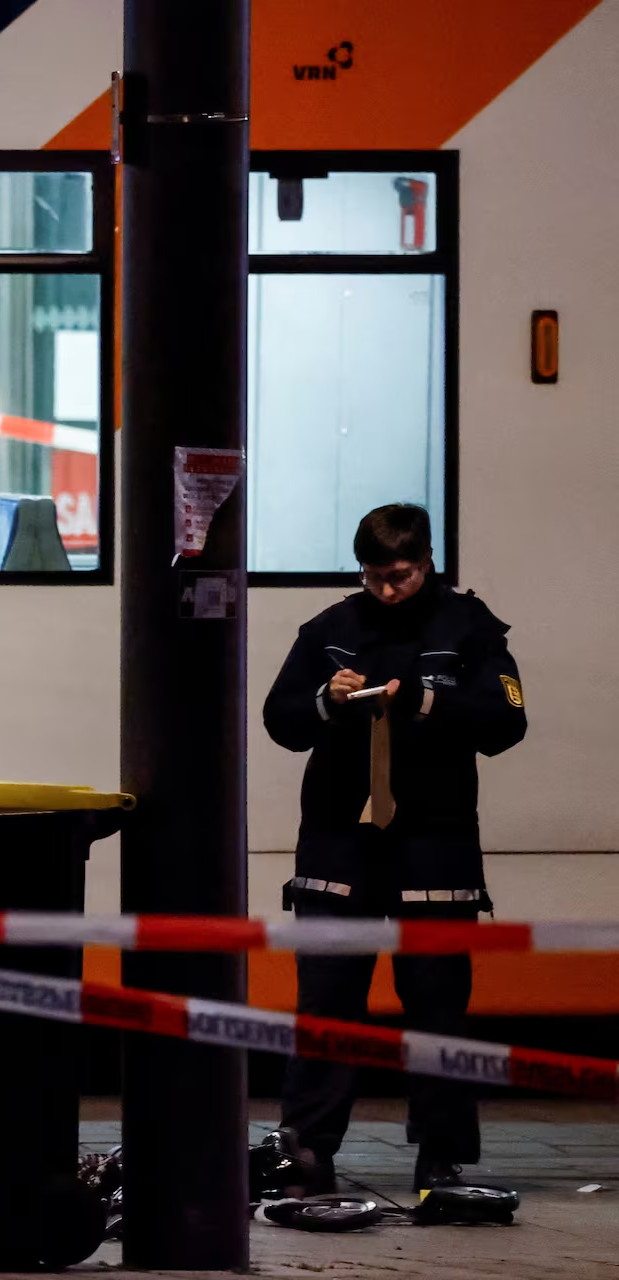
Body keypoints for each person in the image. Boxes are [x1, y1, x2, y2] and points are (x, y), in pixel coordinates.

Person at [263, 503, 526, 1195]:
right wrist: (326, 698)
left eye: (400, 575)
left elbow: (506, 723)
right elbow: (280, 720)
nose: (387, 589)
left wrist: (428, 705)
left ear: (428, 560)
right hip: (339, 843)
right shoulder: (330, 629)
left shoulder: (468, 627)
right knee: (325, 1004)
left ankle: (441, 1156)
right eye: (375, 576)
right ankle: (308, 1150)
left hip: (433, 845)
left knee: (439, 1007)